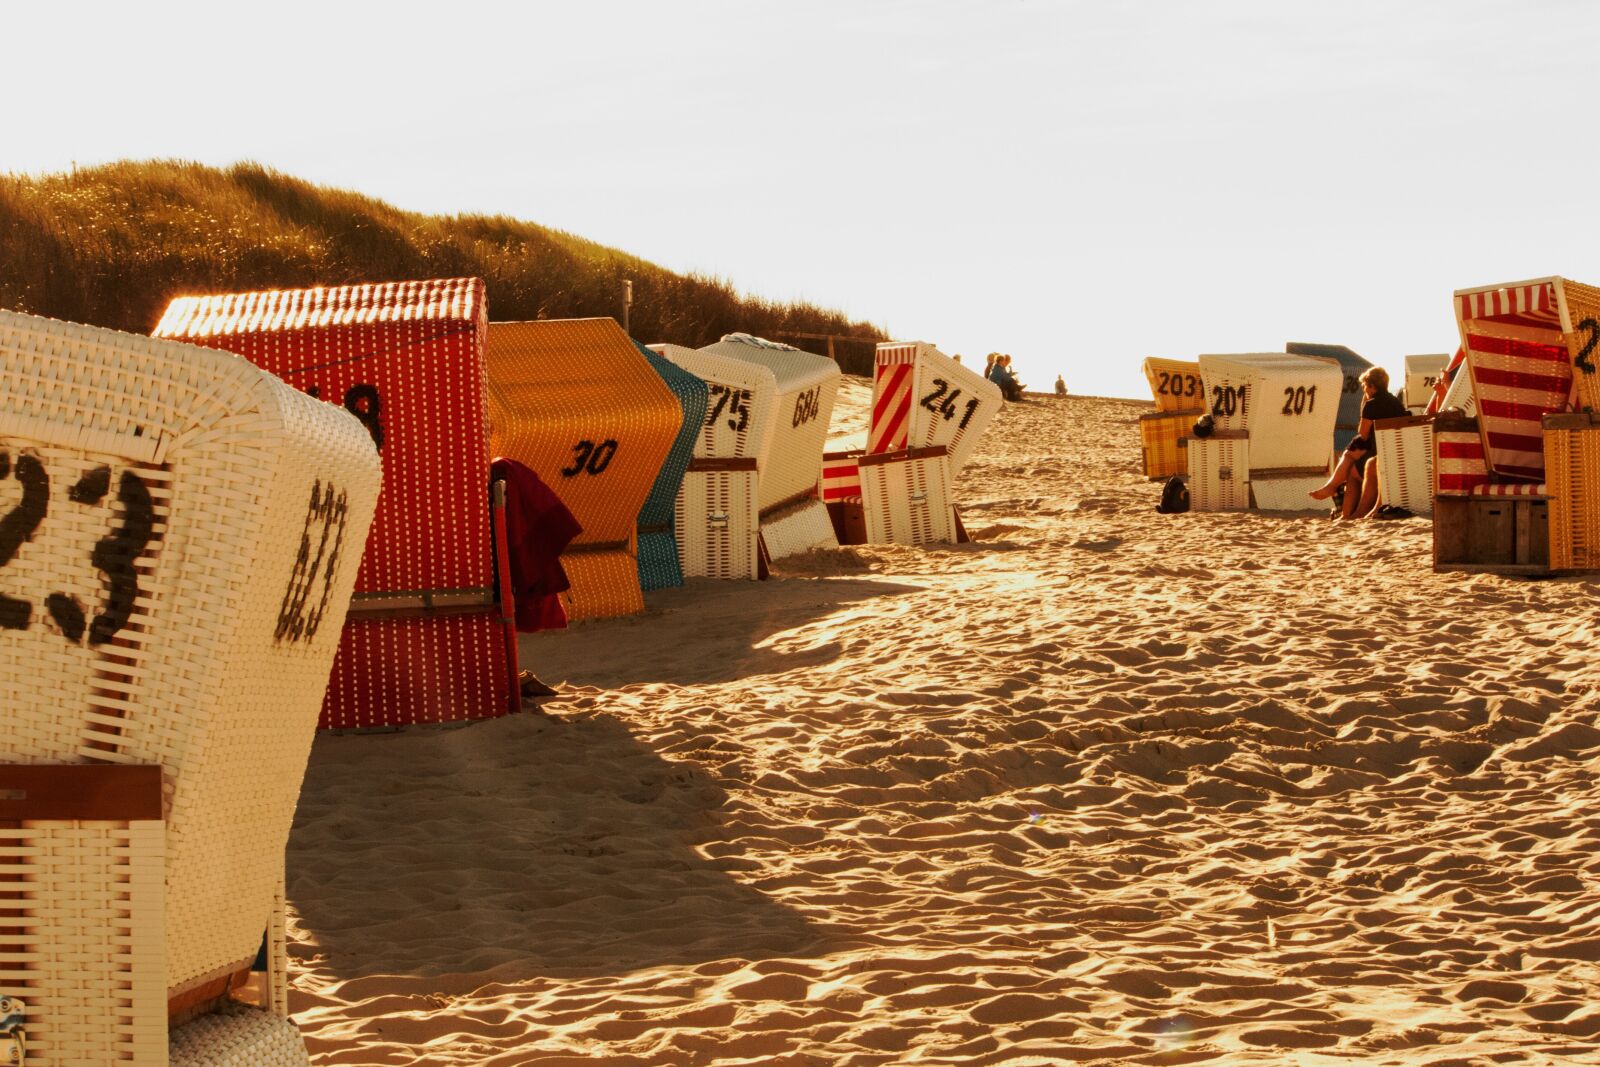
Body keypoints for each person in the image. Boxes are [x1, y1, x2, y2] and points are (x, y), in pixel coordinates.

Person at [1308, 366, 1408, 518]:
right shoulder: (1395, 402)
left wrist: (1364, 406)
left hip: (1381, 454)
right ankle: (1334, 492)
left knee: (1353, 471)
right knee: (1352, 456)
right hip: (1394, 450)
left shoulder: (1372, 404)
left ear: (1371, 386)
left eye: (1364, 386)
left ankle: (1343, 508)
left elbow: (1363, 433)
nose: (1364, 390)